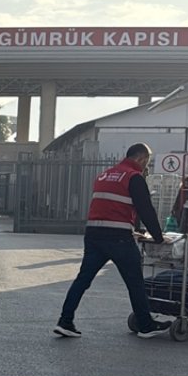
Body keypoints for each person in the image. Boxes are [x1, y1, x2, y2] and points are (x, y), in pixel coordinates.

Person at [54, 143, 173, 339]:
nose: (146, 167)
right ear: (141, 159)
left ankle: (65, 321)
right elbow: (146, 209)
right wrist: (158, 237)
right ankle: (145, 325)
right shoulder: (134, 177)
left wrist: (135, 228)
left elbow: (115, 205)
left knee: (83, 279)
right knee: (135, 281)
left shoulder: (104, 175)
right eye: (147, 162)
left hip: (93, 234)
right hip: (118, 238)